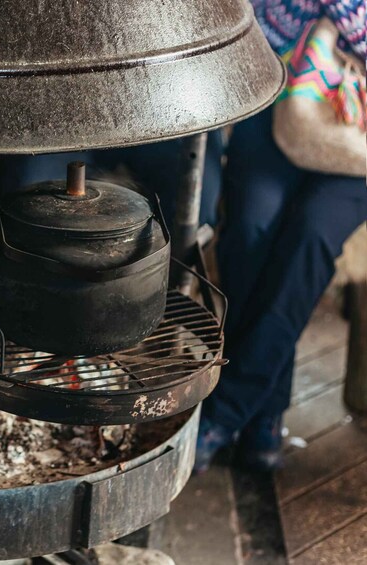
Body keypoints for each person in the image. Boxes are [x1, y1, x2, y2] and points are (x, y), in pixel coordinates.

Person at [194, 0, 367, 472]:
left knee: (308, 238)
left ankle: (226, 411)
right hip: (273, 102)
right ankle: (264, 415)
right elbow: (243, 19)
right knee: (251, 231)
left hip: (355, 137)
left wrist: (343, 16)